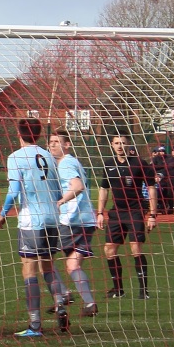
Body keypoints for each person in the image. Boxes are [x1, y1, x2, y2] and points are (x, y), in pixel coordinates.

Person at [0, 118, 65, 337]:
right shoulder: (49, 156)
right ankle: (61, 306)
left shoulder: (16, 157)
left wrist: (3, 213)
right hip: (53, 219)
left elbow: (14, 190)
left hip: (31, 221)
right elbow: (58, 191)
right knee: (49, 267)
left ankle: (35, 324)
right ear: (38, 135)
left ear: (19, 134)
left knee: (29, 270)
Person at [96, 134, 158, 300]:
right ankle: (118, 290)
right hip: (116, 212)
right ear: (112, 145)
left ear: (128, 144)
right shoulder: (109, 164)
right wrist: (100, 213)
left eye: (123, 143)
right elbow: (104, 189)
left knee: (135, 249)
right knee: (109, 250)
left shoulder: (139, 163)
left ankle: (143, 291)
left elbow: (151, 187)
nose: (119, 146)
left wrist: (152, 214)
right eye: (116, 143)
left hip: (135, 211)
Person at [49, 128, 99, 318]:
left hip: (70, 220)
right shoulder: (73, 162)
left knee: (42, 257)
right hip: (86, 221)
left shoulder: (65, 164)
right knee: (73, 265)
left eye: (57, 142)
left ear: (67, 145)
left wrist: (61, 201)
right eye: (50, 142)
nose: (52, 145)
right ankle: (89, 303)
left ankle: (63, 294)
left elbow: (77, 186)